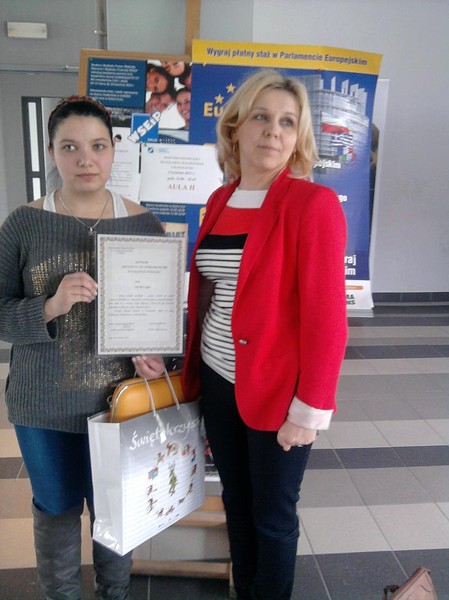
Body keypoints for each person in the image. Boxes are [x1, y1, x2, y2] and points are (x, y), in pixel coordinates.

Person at [184, 69, 348, 599]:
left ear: (298, 137)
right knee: (235, 500)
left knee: (273, 514)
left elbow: (328, 319)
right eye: (261, 117)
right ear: (235, 128)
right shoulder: (220, 200)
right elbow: (211, 292)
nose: (273, 131)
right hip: (218, 380)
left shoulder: (312, 205)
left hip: (278, 391)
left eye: (287, 121)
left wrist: (309, 410)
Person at [0, 95, 165, 600]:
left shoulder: (143, 224)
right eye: (70, 147)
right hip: (42, 403)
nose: (85, 159)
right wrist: (49, 306)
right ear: (52, 151)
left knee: (115, 510)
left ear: (113, 150)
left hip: (119, 403)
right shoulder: (23, 224)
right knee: (55, 509)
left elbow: (160, 314)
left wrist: (158, 356)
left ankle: (114, 593)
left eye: (97, 146)